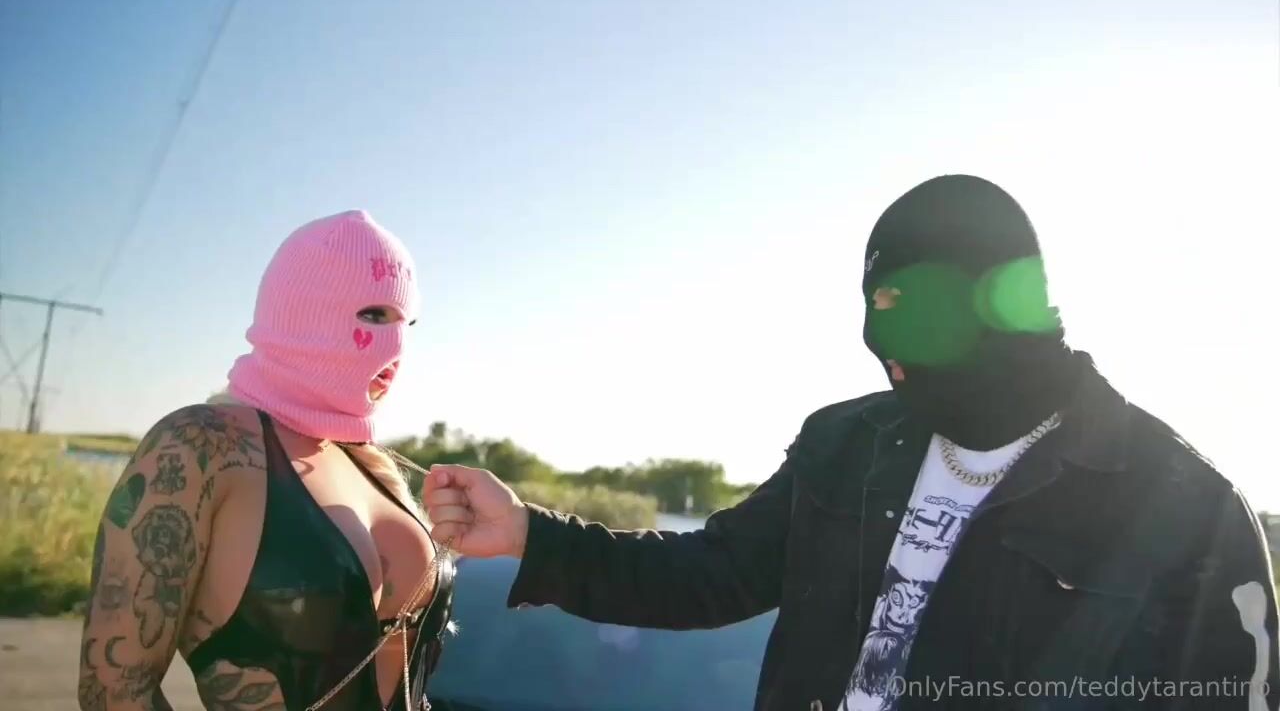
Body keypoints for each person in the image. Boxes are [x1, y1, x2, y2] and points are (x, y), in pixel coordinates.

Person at [423, 175, 1280, 711]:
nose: (882, 344)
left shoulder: (1184, 510)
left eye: (906, 308)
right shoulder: (846, 442)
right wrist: (531, 533)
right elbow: (708, 573)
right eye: (872, 308)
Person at [77, 210, 454, 711]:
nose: (397, 343)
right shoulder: (203, 445)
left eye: (407, 322)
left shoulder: (367, 464)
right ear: (302, 312)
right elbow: (114, 690)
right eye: (373, 315)